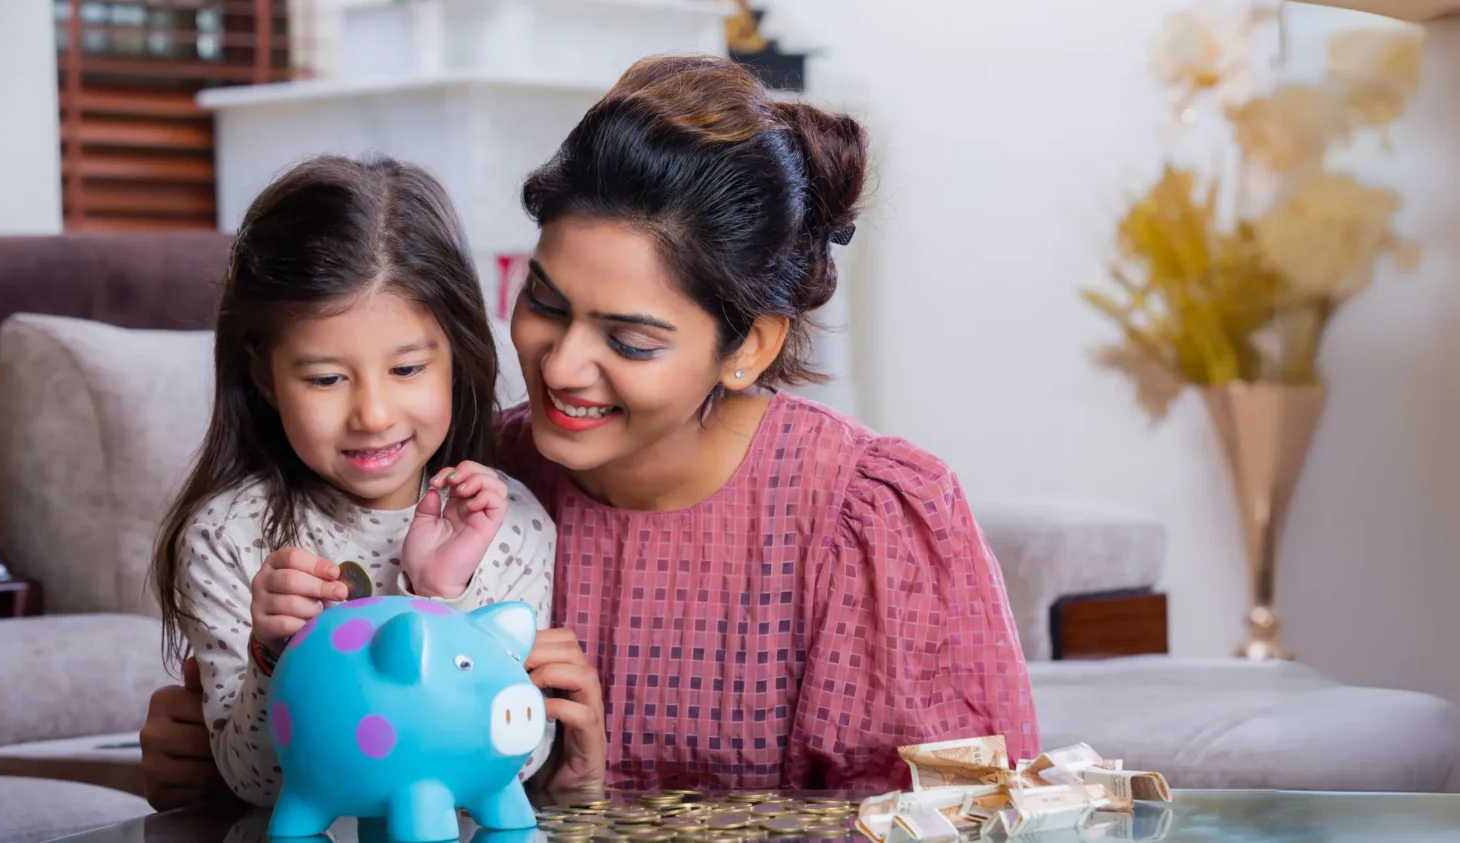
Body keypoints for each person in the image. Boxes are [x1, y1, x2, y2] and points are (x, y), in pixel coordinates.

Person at [139, 55, 1038, 807]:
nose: (563, 365)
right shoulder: (463, 479)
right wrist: (211, 759)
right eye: (544, 302)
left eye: (630, 339)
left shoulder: (865, 518)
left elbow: (963, 816)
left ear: (748, 345)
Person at [147, 154, 558, 808]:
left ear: (456, 355)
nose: (372, 414)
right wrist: (274, 655)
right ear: (263, 375)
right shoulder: (228, 536)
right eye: (325, 378)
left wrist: (438, 594)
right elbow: (253, 782)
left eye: (406, 369)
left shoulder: (509, 524)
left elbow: (519, 754)